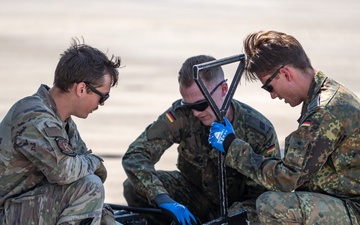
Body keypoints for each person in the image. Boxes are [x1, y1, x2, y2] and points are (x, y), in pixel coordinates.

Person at [208, 30, 360, 225]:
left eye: (269, 87)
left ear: (285, 74)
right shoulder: (322, 94)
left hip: (352, 207)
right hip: (338, 199)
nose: (272, 95)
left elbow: (287, 179)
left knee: (271, 205)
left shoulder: (325, 110)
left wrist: (231, 145)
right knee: (249, 216)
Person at [122, 54, 280, 225]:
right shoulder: (183, 115)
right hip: (194, 197)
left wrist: (231, 219)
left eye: (200, 105)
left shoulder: (259, 130)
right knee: (134, 187)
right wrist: (163, 199)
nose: (196, 113)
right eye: (189, 106)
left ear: (224, 89)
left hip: (240, 208)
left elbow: (265, 193)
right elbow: (136, 155)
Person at [0, 38, 122, 225]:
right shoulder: (34, 116)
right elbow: (64, 171)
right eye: (102, 96)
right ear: (81, 89)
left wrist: (108, 219)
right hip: (6, 211)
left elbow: (77, 168)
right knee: (89, 186)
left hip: (23, 206)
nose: (102, 104)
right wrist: (95, 162)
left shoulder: (62, 121)